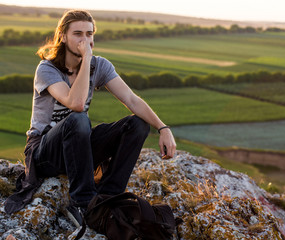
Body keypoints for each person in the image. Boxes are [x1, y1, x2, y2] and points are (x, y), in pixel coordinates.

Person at [4, 9, 176, 227]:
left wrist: (163, 128)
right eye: (78, 34)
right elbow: (75, 103)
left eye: (89, 34)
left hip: (77, 147)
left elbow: (131, 99)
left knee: (137, 124)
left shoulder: (100, 65)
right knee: (78, 118)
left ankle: (107, 196)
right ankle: (81, 202)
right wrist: (86, 59)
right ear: (63, 36)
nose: (85, 40)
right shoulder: (47, 69)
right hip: (45, 152)